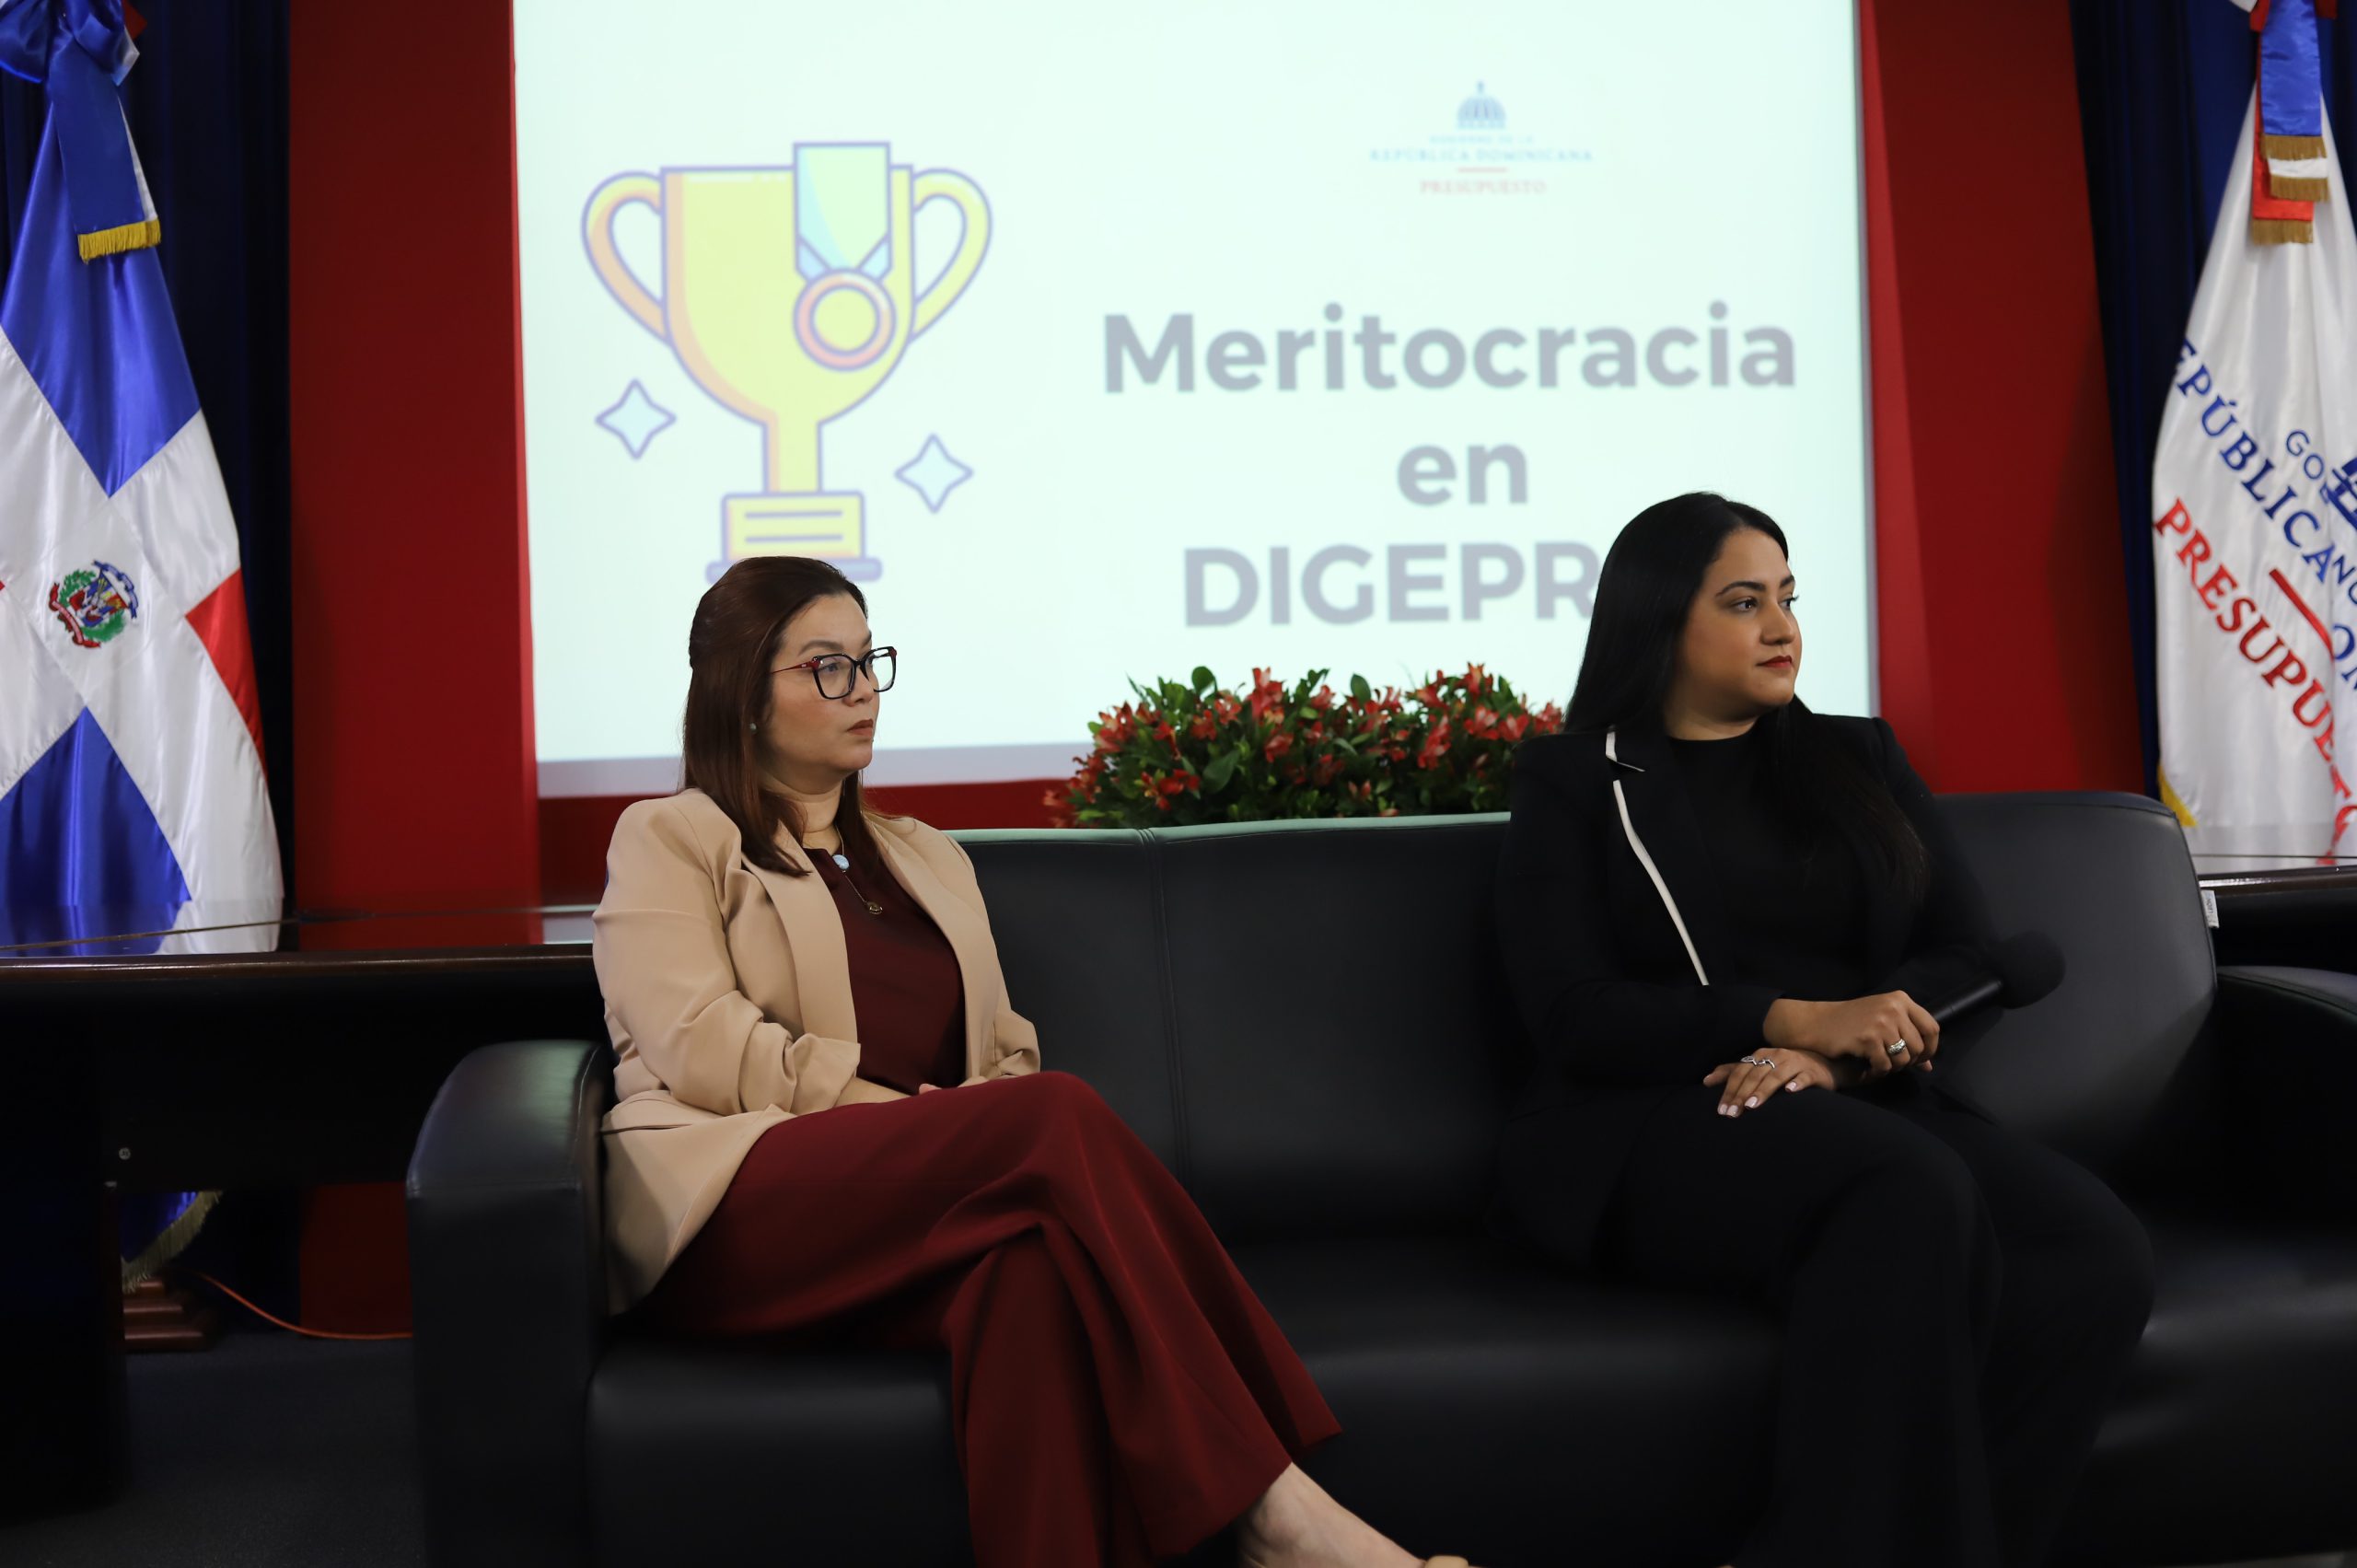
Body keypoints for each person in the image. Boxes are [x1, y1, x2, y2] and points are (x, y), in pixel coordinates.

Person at [593, 557, 1475, 1568]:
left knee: (1026, 1280)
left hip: (915, 1212)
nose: (864, 688)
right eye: (827, 666)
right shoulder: (671, 835)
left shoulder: (926, 855)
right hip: (735, 1206)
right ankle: (1279, 1513)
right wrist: (904, 1117)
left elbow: (1004, 1049)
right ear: (743, 694)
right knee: (1049, 1114)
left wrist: (959, 1122)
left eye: (870, 660)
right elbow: (698, 1042)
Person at [1492, 493, 2154, 1568]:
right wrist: (1786, 1017)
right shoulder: (1577, 778)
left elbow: (1967, 950)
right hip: (1661, 1113)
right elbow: (1573, 1014)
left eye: (1787, 597)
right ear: (1659, 618)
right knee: (1906, 1186)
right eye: (1742, 601)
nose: (1781, 626)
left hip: (1853, 1099)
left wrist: (1833, 1055)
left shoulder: (1858, 756)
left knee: (2093, 1249)